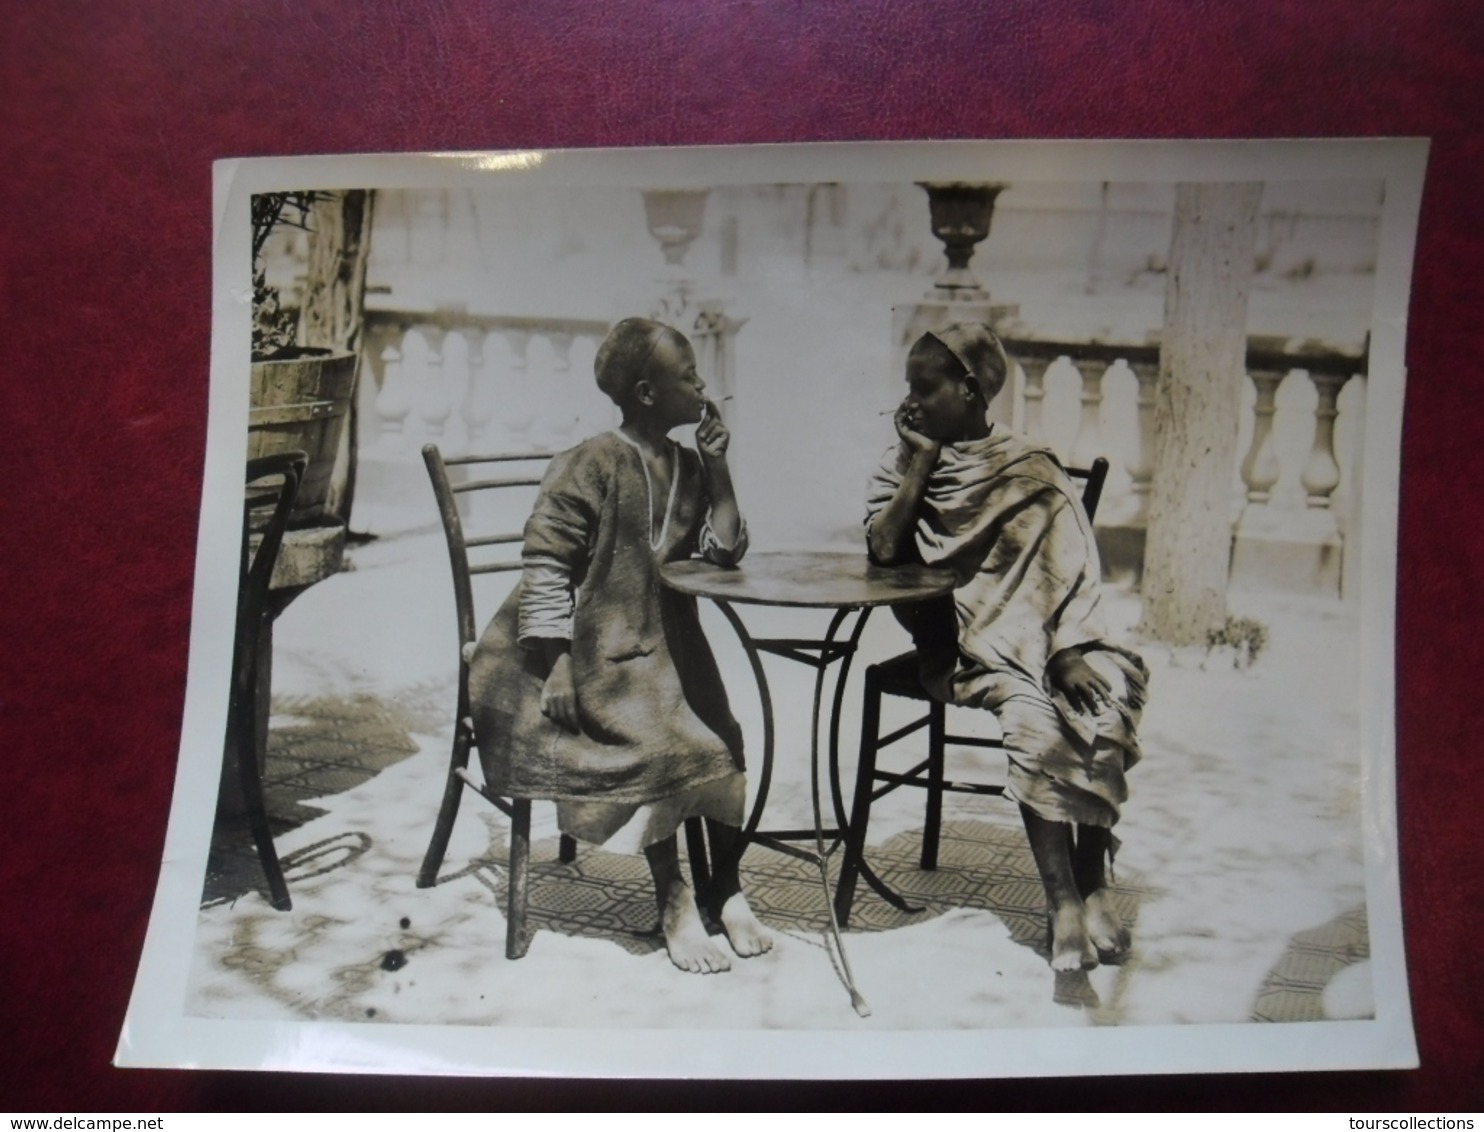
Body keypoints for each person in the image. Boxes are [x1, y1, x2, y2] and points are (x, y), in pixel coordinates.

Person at [468, 317, 772, 974]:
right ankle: (676, 899)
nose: (701, 385)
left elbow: (724, 551)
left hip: (660, 644)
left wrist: (719, 467)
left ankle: (727, 889)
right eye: (688, 376)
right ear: (646, 392)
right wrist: (554, 670)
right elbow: (546, 564)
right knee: (664, 745)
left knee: (725, 737)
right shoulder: (591, 462)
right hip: (574, 652)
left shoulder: (691, 465)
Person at [865, 322, 1148, 972]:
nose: (909, 403)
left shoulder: (1030, 467)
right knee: (1033, 716)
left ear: (968, 389)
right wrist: (923, 463)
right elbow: (883, 550)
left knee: (1111, 693)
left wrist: (1069, 648)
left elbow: (1072, 571)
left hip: (1055, 640)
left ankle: (1092, 881)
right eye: (907, 388)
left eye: (924, 388)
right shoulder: (905, 460)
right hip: (964, 648)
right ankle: (1061, 902)